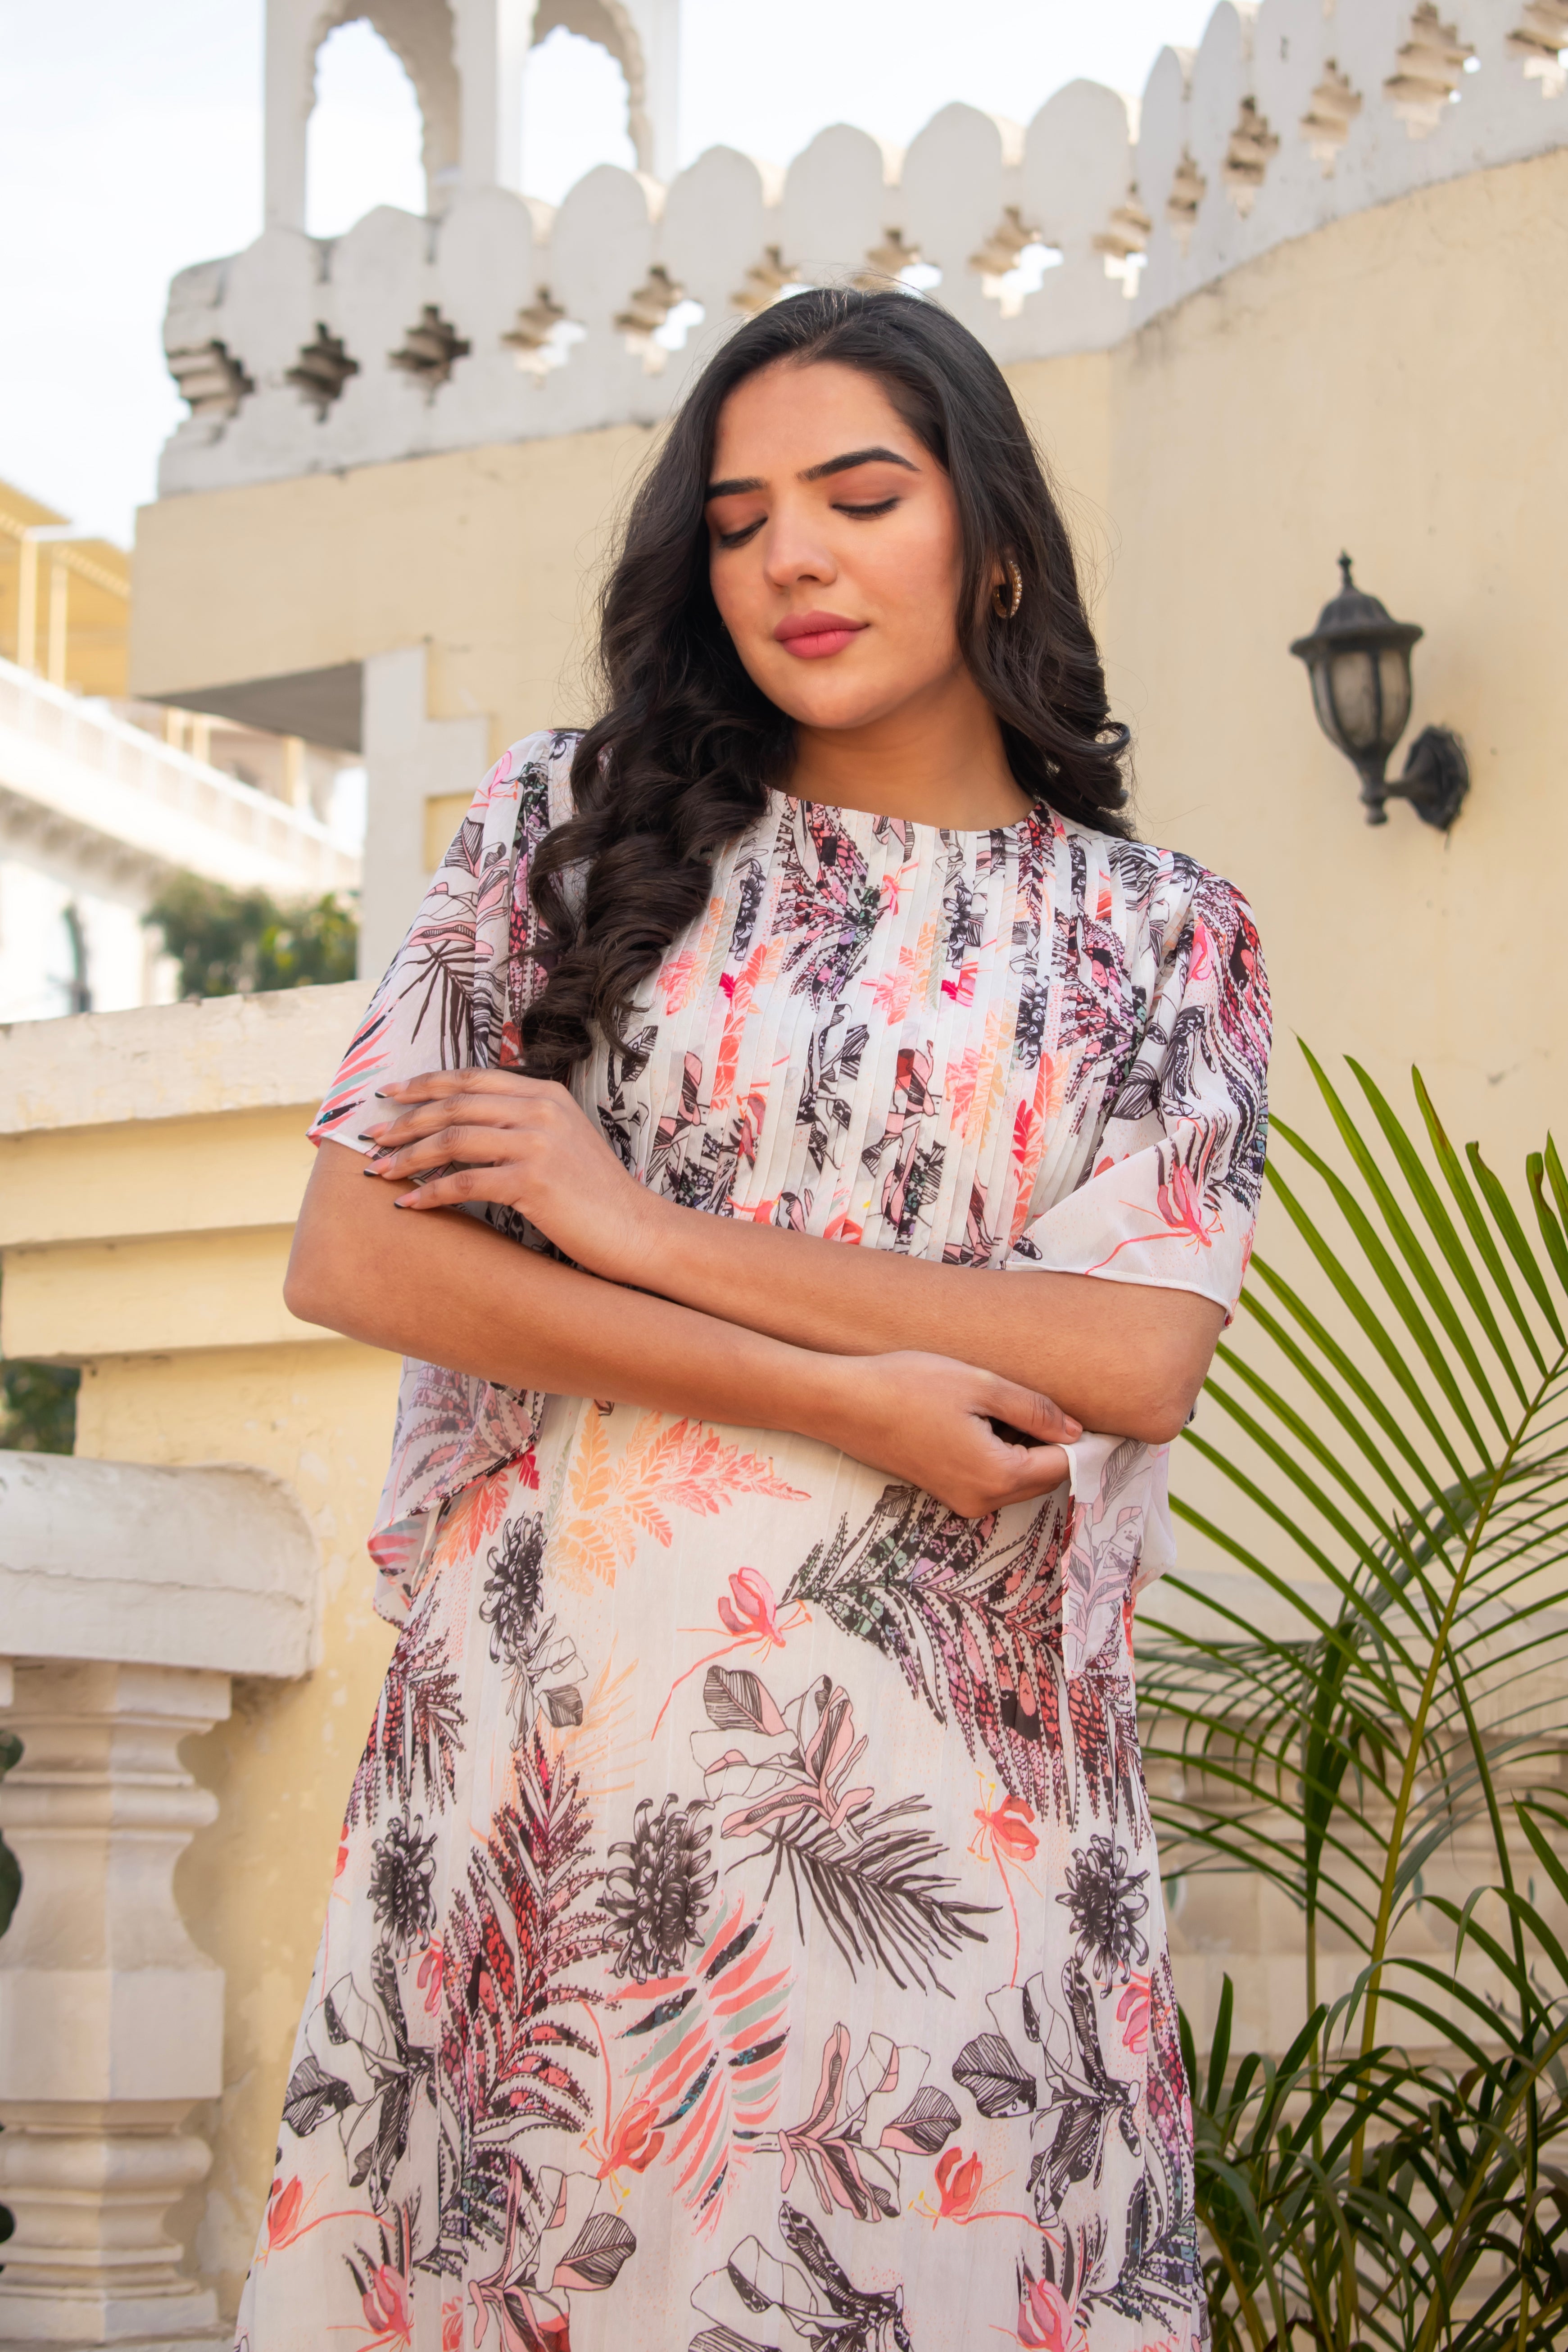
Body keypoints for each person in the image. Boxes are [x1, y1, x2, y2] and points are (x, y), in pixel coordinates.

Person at [235, 286, 1269, 2352]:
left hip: (943, 1813)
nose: (788, 554)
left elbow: (1127, 1351)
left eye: (858, 494)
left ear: (985, 536)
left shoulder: (1164, 935)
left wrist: (632, 1226)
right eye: (735, 518)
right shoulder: (563, 827)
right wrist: (850, 1392)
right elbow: (359, 1255)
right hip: (555, 1777)